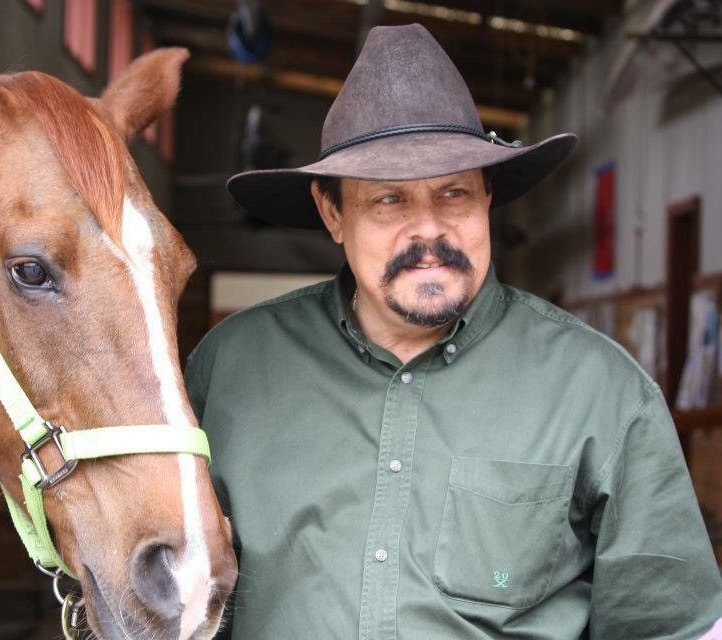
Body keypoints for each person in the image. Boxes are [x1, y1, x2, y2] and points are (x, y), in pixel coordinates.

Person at [184, 24, 722, 639]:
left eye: (455, 193)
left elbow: (671, 628)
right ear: (332, 213)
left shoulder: (602, 391)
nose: (429, 232)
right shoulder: (231, 369)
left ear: (488, 197)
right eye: (389, 201)